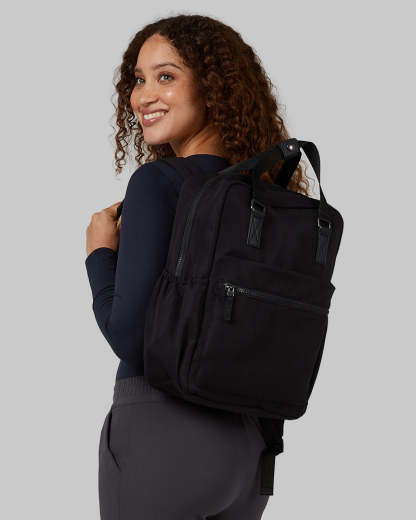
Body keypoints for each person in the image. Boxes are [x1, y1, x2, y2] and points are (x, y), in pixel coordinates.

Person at [85, 13, 312, 520]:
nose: (144, 96)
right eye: (138, 80)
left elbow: (133, 339)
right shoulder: (269, 198)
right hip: (250, 450)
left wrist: (100, 255)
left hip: (163, 438)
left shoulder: (159, 184)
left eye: (166, 76)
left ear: (211, 87)